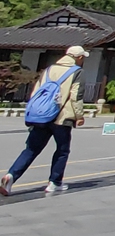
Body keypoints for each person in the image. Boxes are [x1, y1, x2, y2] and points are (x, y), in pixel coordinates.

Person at [0, 46, 86, 196]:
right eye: (82, 57)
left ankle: (11, 176)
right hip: (61, 118)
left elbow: (36, 91)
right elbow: (75, 97)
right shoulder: (77, 72)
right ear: (79, 57)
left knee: (31, 149)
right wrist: (79, 116)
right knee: (62, 150)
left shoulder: (49, 70)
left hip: (41, 116)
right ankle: (54, 182)